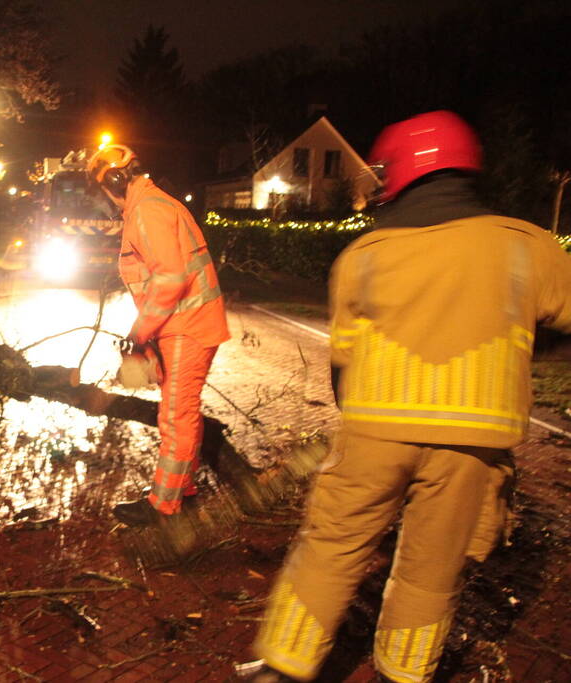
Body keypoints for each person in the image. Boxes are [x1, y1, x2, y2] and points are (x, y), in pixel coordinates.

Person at [247, 110, 571, 683]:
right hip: (470, 446)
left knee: (332, 546)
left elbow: (343, 359)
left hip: (374, 431)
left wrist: (357, 427)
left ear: (395, 174)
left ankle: (285, 668)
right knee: (430, 569)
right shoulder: (529, 247)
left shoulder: (365, 255)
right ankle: (405, 672)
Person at [86, 143, 230, 527]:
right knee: (182, 411)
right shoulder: (152, 204)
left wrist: (139, 333)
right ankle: (183, 488)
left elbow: (169, 280)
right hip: (184, 325)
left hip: (186, 326)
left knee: (175, 416)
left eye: (103, 189)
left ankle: (163, 506)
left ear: (113, 181)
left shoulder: (147, 211)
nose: (105, 198)